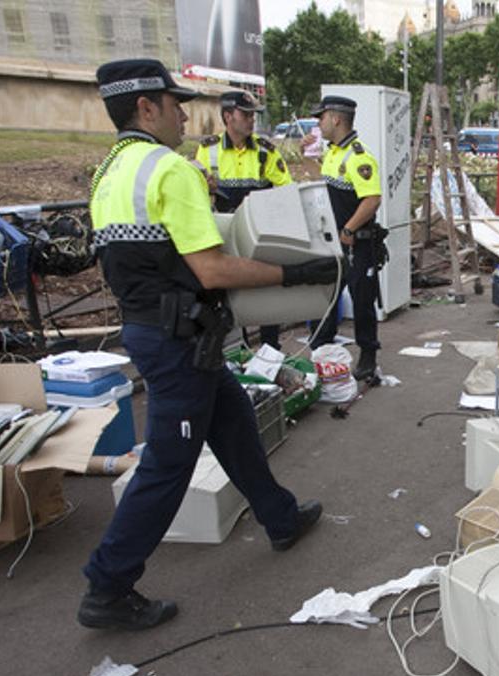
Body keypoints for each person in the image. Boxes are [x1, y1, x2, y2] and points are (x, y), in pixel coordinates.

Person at [82, 59, 333, 630]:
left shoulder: (108, 173)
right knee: (169, 463)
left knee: (234, 420)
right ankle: (107, 585)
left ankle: (280, 517)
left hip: (155, 331)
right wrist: (292, 275)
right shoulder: (170, 169)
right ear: (146, 108)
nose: (184, 114)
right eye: (174, 104)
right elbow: (213, 270)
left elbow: (138, 261)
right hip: (178, 342)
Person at [196, 90, 293, 350]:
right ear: (228, 116)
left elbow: (286, 191)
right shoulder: (208, 150)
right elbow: (199, 197)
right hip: (226, 235)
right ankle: (235, 355)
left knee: (266, 297)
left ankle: (270, 353)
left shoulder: (265, 152)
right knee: (228, 298)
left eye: (253, 115)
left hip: (260, 235)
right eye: (246, 115)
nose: (251, 120)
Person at [303, 96, 384, 380]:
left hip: (356, 243)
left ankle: (368, 354)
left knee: (362, 300)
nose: (318, 124)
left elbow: (372, 199)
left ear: (336, 119)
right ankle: (321, 350)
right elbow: (327, 187)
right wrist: (307, 158)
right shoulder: (335, 153)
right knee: (325, 295)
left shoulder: (359, 157)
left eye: (321, 118)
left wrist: (349, 229)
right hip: (330, 241)